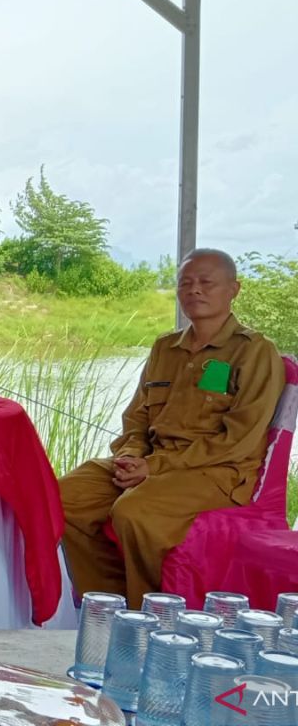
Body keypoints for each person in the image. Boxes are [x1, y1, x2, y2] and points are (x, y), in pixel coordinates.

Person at [59, 248, 284, 608]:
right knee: (65, 498)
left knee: (134, 512)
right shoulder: (166, 347)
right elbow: (136, 417)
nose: (195, 290)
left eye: (207, 282)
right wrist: (132, 456)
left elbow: (239, 441)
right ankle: (107, 603)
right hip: (152, 460)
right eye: (186, 283)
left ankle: (151, 613)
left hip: (216, 471)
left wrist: (154, 469)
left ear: (234, 289)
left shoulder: (254, 352)